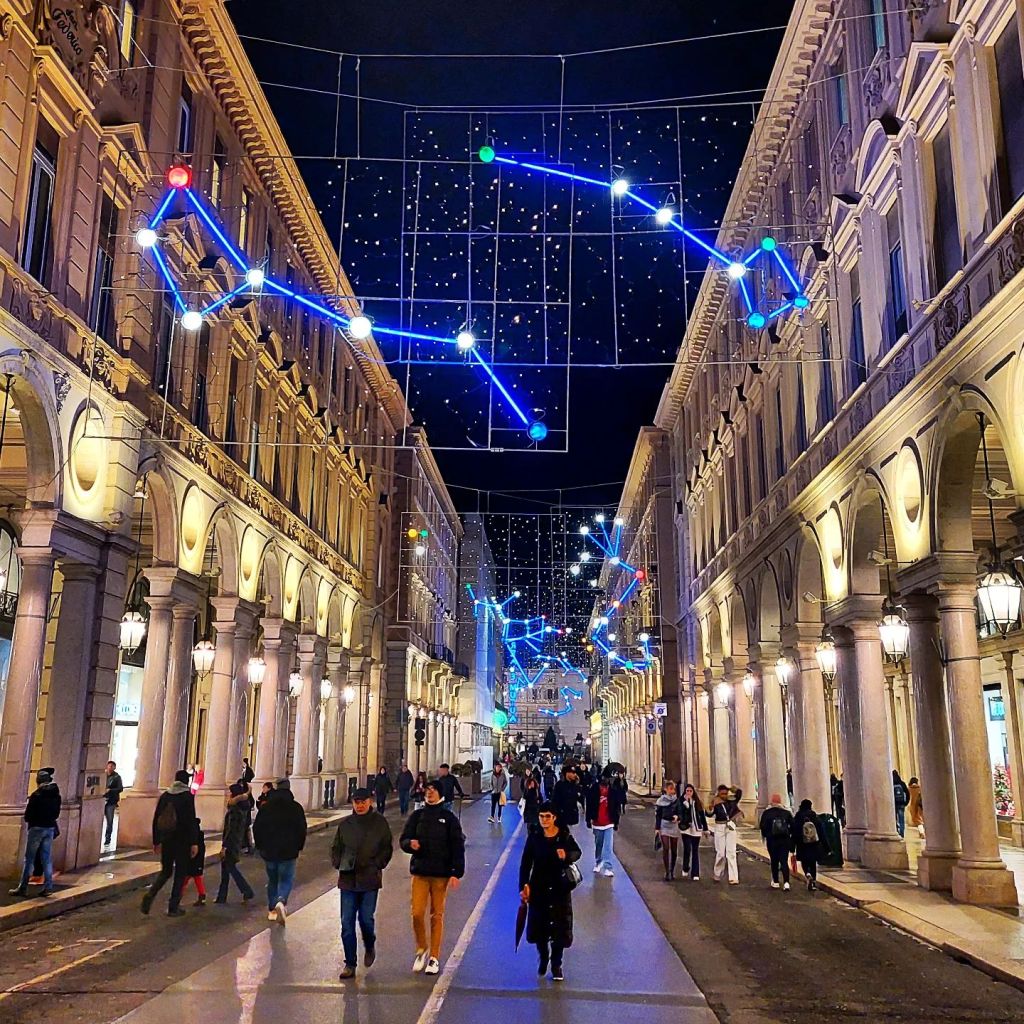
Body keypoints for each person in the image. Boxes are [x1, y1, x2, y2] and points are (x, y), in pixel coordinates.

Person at [399, 779, 465, 976]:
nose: (429, 793)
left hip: (441, 875)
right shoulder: (417, 816)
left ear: (440, 794)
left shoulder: (449, 818)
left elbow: (457, 845)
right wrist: (410, 844)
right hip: (420, 872)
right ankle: (422, 948)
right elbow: (404, 839)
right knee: (417, 913)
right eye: (428, 790)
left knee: (437, 915)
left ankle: (434, 957)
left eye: (433, 790)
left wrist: (456, 872)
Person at [332, 787, 394, 979]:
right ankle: (350, 963)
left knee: (366, 919)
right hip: (348, 880)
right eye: (356, 802)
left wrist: (377, 864)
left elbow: (387, 848)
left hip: (369, 879)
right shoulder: (346, 825)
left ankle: (369, 944)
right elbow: (336, 848)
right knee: (346, 923)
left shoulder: (379, 823)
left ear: (370, 802)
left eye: (363, 802)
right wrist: (338, 862)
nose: (359, 806)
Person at [519, 801, 582, 983]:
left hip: (559, 888)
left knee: (559, 928)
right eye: (541, 816)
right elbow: (525, 863)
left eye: (548, 816)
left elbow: (577, 852)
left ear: (554, 818)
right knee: (540, 927)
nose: (544, 820)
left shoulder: (564, 836)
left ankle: (556, 964)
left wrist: (566, 856)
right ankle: (543, 956)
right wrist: (524, 885)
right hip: (539, 887)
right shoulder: (534, 837)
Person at [141, 769, 200, 917]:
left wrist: (156, 841)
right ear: (186, 781)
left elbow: (157, 818)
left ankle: (150, 895)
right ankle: (173, 906)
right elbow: (191, 820)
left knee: (166, 871)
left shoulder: (165, 796)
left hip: (167, 840)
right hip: (182, 841)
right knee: (180, 873)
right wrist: (194, 842)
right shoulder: (187, 796)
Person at [252, 778, 307, 925]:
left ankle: (272, 910)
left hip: (269, 851)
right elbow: (302, 829)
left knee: (273, 880)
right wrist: (299, 846)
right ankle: (281, 901)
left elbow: (257, 827)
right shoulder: (296, 808)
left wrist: (260, 846)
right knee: (286, 879)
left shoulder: (266, 807)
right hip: (289, 851)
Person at [8, 768, 62, 898]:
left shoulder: (36, 795)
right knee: (46, 858)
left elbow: (28, 815)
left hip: (36, 828)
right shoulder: (56, 795)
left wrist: (33, 820)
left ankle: (23, 887)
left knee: (29, 859)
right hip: (49, 828)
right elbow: (56, 814)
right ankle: (48, 887)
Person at [216, 784, 255, 904]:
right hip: (236, 842)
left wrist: (224, 847)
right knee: (226, 870)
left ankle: (247, 891)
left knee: (231, 869)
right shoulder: (242, 808)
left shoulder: (234, 810)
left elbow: (230, 830)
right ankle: (221, 896)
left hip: (231, 844)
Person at [585, 770, 623, 877]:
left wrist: (616, 822)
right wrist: (588, 819)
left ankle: (608, 867)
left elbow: (617, 807)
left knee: (608, 846)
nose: (606, 780)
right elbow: (589, 804)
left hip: (609, 822)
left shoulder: (613, 791)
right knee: (599, 844)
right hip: (597, 822)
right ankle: (598, 861)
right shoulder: (594, 789)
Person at [791, 798, 829, 890]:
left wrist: (792, 846)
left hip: (802, 844)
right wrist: (827, 848)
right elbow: (821, 833)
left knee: (804, 861)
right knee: (812, 863)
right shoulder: (815, 817)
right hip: (814, 843)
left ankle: (807, 874)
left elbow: (794, 832)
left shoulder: (798, 817)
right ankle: (814, 882)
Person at [758, 793, 794, 890]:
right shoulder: (786, 813)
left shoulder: (767, 813)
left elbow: (762, 826)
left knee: (774, 861)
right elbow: (793, 826)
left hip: (772, 840)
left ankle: (776, 881)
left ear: (771, 802)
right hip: (784, 840)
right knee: (784, 861)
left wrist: (766, 836)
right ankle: (786, 882)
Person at [710, 784, 743, 885]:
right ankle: (717, 873)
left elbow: (739, 793)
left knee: (731, 852)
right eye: (722, 794)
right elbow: (709, 814)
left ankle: (733, 877)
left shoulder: (731, 801)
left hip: (730, 826)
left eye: (725, 793)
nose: (724, 795)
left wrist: (732, 788)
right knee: (720, 852)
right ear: (719, 793)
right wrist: (711, 808)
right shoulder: (715, 802)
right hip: (719, 826)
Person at [678, 783, 707, 881]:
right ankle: (685, 867)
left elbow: (702, 816)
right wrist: (686, 805)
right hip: (686, 828)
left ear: (693, 792)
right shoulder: (681, 802)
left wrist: (705, 829)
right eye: (687, 791)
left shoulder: (697, 802)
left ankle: (695, 873)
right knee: (687, 848)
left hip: (696, 828)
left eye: (691, 791)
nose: (689, 793)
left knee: (695, 850)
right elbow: (680, 813)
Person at [654, 781, 681, 881]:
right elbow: (658, 815)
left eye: (673, 789)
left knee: (674, 849)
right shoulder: (660, 801)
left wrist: (677, 817)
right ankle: (667, 871)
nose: (672, 791)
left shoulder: (677, 800)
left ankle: (672, 870)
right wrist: (657, 829)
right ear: (666, 789)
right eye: (670, 789)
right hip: (664, 824)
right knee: (666, 848)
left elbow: (680, 812)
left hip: (674, 825)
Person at [180, 822, 207, 905]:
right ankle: (202, 896)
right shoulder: (198, 837)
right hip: (195, 862)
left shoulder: (194, 838)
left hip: (193, 861)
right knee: (194, 878)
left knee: (186, 878)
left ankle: (178, 896)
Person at [102, 760, 123, 848]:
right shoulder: (103, 775)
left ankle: (107, 839)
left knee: (109, 821)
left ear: (114, 767)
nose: (110, 768)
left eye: (112, 766)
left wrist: (110, 790)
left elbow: (120, 788)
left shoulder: (117, 777)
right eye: (109, 766)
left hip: (111, 801)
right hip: (102, 800)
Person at [893, 769, 910, 838]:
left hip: (894, 805)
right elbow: (907, 793)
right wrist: (906, 803)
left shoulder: (891, 783)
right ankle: (902, 834)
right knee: (901, 820)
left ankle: (896, 831)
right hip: (901, 804)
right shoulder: (902, 783)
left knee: (894, 820)